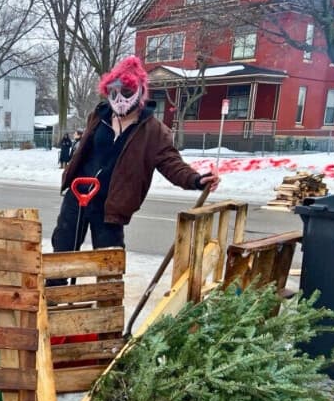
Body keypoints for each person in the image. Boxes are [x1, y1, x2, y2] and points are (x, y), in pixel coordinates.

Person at [49, 55, 219, 286]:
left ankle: (107, 314)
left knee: (110, 262)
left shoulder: (153, 130)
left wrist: (196, 180)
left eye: (127, 91)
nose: (119, 98)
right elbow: (85, 150)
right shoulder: (99, 116)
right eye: (113, 92)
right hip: (77, 196)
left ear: (139, 91)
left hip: (111, 204)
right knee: (62, 253)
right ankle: (52, 307)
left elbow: (171, 163)